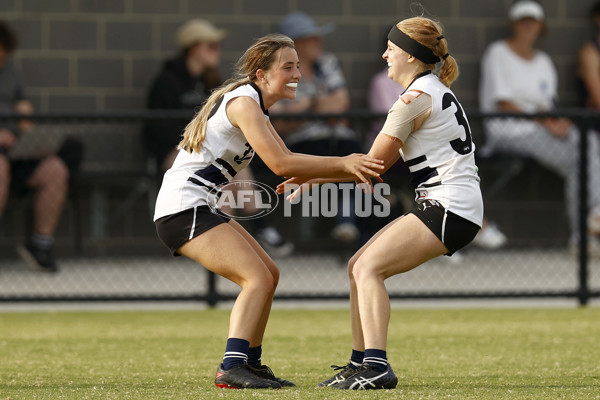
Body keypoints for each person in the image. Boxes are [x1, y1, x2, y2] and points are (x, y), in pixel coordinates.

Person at [152, 33, 384, 389]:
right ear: (261, 74)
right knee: (256, 278)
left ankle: (251, 363)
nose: (298, 74)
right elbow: (280, 163)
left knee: (268, 274)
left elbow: (289, 164)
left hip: (195, 206)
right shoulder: (245, 102)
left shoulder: (255, 105)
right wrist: (346, 162)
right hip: (183, 209)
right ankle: (231, 366)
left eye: (297, 66)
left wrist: (338, 170)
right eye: (288, 67)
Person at [278, 16, 483, 389]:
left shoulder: (413, 99)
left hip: (449, 205)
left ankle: (376, 367)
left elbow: (372, 166)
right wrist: (316, 177)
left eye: (391, 48)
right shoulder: (432, 88)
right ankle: (360, 363)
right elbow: (374, 166)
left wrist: (312, 175)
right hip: (450, 203)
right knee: (359, 264)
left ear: (409, 54)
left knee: (368, 268)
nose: (384, 54)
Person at [144, 19, 293, 257]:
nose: (217, 51)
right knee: (220, 171)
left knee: (234, 167)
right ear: (194, 49)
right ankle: (249, 232)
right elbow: (158, 130)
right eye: (211, 47)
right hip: (175, 154)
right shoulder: (167, 82)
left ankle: (242, 232)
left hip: (206, 152)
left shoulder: (210, 81)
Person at [480, 0, 600, 254]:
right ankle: (587, 226)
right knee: (578, 160)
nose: (527, 26)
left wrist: (556, 122)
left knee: (587, 141)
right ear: (514, 24)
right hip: (508, 132)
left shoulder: (544, 61)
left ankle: (590, 224)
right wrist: (544, 122)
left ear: (540, 26)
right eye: (523, 21)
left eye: (532, 21)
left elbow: (546, 106)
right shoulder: (497, 52)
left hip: (540, 129)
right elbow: (504, 103)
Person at [271, 12, 364, 244]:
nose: (319, 42)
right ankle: (333, 228)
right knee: (328, 156)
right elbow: (280, 121)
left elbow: (341, 102)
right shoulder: (278, 71)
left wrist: (305, 109)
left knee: (357, 157)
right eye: (312, 38)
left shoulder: (326, 63)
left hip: (339, 137)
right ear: (296, 45)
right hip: (302, 142)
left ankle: (347, 225)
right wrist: (317, 104)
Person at [0, 21, 81, 273]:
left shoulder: (9, 72)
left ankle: (40, 245)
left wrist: (25, 123)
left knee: (56, 168)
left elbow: (22, 105)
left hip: (15, 150)